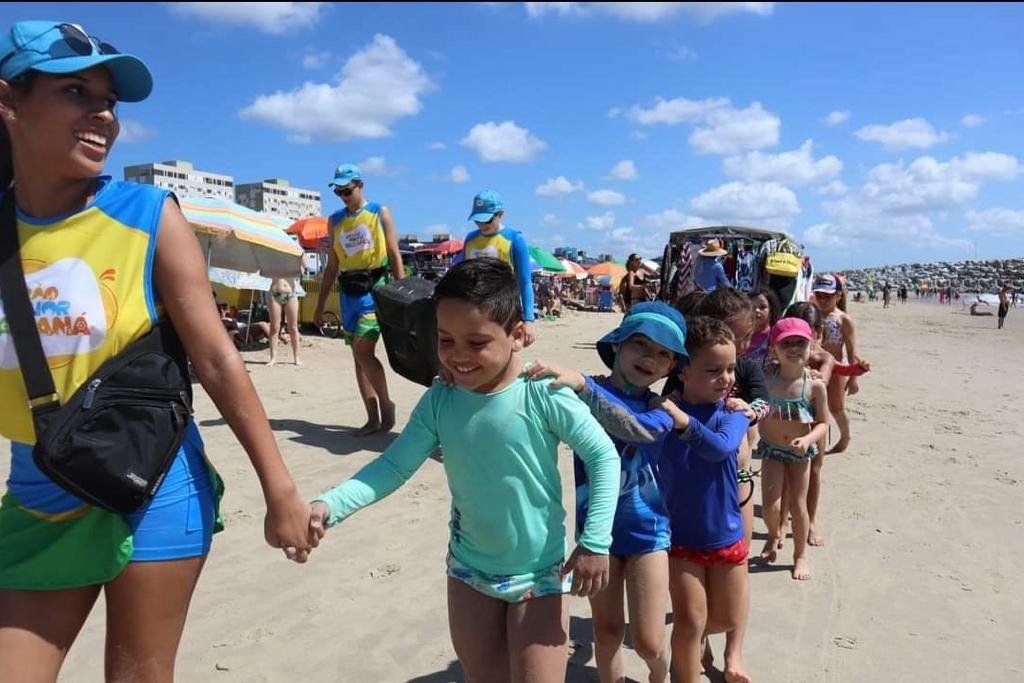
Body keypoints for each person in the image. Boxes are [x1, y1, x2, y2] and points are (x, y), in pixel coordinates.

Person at [0, 20, 314, 681]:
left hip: (151, 482)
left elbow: (219, 358)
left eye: (109, 99)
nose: (103, 114)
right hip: (36, 489)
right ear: (9, 103)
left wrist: (278, 487)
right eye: (76, 92)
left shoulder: (146, 214)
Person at [304, 258, 620, 681]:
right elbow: (394, 466)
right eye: (446, 340)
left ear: (517, 335)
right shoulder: (441, 400)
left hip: (540, 573)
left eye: (477, 342)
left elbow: (603, 457)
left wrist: (594, 542)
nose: (458, 357)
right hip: (468, 572)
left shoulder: (543, 393)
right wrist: (330, 505)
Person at [524, 302, 689, 683]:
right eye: (640, 345)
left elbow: (631, 427)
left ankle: (660, 674)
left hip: (648, 533)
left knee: (648, 641)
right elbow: (527, 391)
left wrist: (583, 386)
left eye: (663, 354)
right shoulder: (578, 387)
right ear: (616, 345)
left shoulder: (662, 409)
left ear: (670, 368)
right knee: (607, 631)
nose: (650, 358)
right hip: (597, 535)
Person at [655, 317, 752, 683]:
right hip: (679, 538)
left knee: (725, 618)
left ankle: (698, 647)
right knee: (689, 620)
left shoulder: (734, 413)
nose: (726, 378)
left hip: (726, 534)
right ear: (683, 370)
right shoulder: (663, 413)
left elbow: (719, 447)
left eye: (730, 369)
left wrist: (684, 423)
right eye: (713, 370)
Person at [313, 163, 404, 435]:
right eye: (339, 191)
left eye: (348, 190)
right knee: (357, 357)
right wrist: (319, 306)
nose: (343, 195)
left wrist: (403, 293)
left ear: (360, 186)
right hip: (348, 293)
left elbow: (394, 253)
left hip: (374, 290)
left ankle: (387, 405)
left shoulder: (379, 212)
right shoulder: (335, 220)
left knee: (363, 351)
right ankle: (372, 417)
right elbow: (332, 265)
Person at [755, 319, 830, 581]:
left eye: (800, 343)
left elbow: (823, 423)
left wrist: (809, 439)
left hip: (800, 455)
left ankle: (800, 556)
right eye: (787, 343)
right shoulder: (766, 380)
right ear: (774, 348)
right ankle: (774, 535)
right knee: (770, 508)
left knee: (799, 507)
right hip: (772, 450)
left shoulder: (815, 386)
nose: (794, 348)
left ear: (811, 347)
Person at [461, 189, 537, 345]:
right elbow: (464, 278)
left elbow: (525, 281)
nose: (482, 225)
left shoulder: (514, 239)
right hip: (475, 311)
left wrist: (529, 319)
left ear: (500, 214)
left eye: (487, 220)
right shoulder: (470, 240)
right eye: (477, 220)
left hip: (505, 310)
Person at [811, 273, 863, 453]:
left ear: (838, 296)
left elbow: (851, 350)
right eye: (819, 295)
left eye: (828, 296)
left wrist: (854, 377)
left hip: (837, 368)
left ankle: (845, 436)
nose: (823, 300)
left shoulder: (842, 319)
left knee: (836, 407)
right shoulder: (812, 314)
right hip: (814, 367)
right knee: (813, 406)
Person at [267, 277, 301, 366]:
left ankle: (296, 357)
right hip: (275, 292)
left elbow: (303, 267)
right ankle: (273, 358)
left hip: (291, 293)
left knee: (293, 327)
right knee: (274, 327)